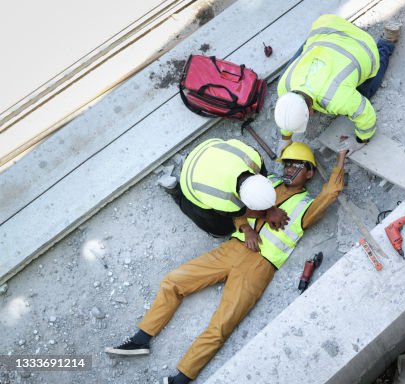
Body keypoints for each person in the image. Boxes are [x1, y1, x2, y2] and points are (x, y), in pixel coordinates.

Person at [105, 143, 348, 384]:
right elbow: (236, 207)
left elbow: (330, 193)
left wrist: (340, 160)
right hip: (233, 248)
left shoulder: (307, 205)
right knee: (174, 281)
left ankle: (181, 378)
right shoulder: (266, 184)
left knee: (222, 324)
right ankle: (141, 339)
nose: (289, 169)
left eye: (297, 165)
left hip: (259, 267)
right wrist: (245, 229)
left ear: (310, 173)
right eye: (287, 163)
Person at [274, 14, 401, 148]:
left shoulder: (337, 99)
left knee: (366, 92)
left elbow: (365, 114)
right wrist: (285, 137)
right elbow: (290, 110)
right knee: (306, 51)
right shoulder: (284, 85)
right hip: (329, 26)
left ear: (310, 112)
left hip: (362, 45)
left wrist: (361, 140)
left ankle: (386, 43)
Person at [171, 138, 288, 237]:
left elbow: (262, 176)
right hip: (188, 176)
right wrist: (265, 216)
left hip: (206, 148)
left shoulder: (254, 158)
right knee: (222, 229)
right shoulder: (225, 201)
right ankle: (176, 192)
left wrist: (272, 209)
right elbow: (242, 213)